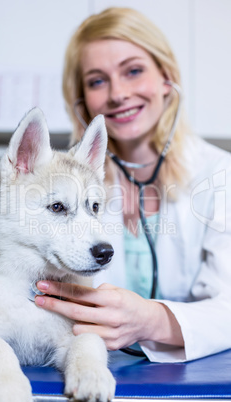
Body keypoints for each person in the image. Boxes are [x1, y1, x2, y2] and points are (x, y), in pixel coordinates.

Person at [34, 7, 231, 362]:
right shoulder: (59, 180)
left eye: (134, 71)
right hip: (82, 362)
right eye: (97, 81)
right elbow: (5, 250)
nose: (118, 94)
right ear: (81, 100)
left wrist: (153, 321)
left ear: (166, 78)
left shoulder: (221, 174)